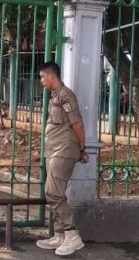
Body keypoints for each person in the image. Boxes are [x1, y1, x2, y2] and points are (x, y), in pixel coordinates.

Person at [35, 61, 89, 256]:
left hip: (65, 149)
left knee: (53, 192)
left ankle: (72, 236)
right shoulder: (55, 96)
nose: (40, 80)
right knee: (54, 192)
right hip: (55, 149)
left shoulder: (66, 95)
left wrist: (82, 149)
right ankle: (60, 235)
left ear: (51, 76)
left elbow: (78, 125)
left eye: (42, 76)